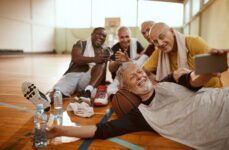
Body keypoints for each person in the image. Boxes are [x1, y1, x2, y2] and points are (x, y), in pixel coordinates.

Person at [42, 49, 229, 149]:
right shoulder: (141, 115)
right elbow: (102, 130)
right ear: (127, 89)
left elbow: (193, 81)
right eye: (133, 77)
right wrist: (60, 130)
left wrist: (206, 72)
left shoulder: (169, 81)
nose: (139, 76)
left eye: (139, 72)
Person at [22, 27, 110, 109]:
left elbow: (103, 68)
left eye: (104, 36)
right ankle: (46, 100)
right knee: (59, 90)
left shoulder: (105, 49)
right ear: (92, 34)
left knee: (101, 63)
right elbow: (76, 58)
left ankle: (87, 92)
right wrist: (95, 59)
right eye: (98, 34)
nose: (101, 37)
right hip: (74, 74)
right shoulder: (81, 43)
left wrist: (102, 81)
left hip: (88, 80)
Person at [143, 22, 223, 87]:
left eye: (162, 36)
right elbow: (143, 70)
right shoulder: (159, 52)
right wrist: (156, 82)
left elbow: (216, 64)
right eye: (155, 41)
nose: (160, 43)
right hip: (188, 96)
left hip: (211, 90)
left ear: (172, 31)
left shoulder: (194, 42)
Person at [107, 26, 144, 96]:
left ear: (131, 36)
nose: (125, 39)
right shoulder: (115, 48)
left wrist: (130, 60)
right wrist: (117, 62)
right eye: (122, 37)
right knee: (110, 92)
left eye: (127, 36)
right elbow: (110, 69)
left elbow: (144, 56)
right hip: (119, 79)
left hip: (134, 76)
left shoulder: (135, 43)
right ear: (118, 38)